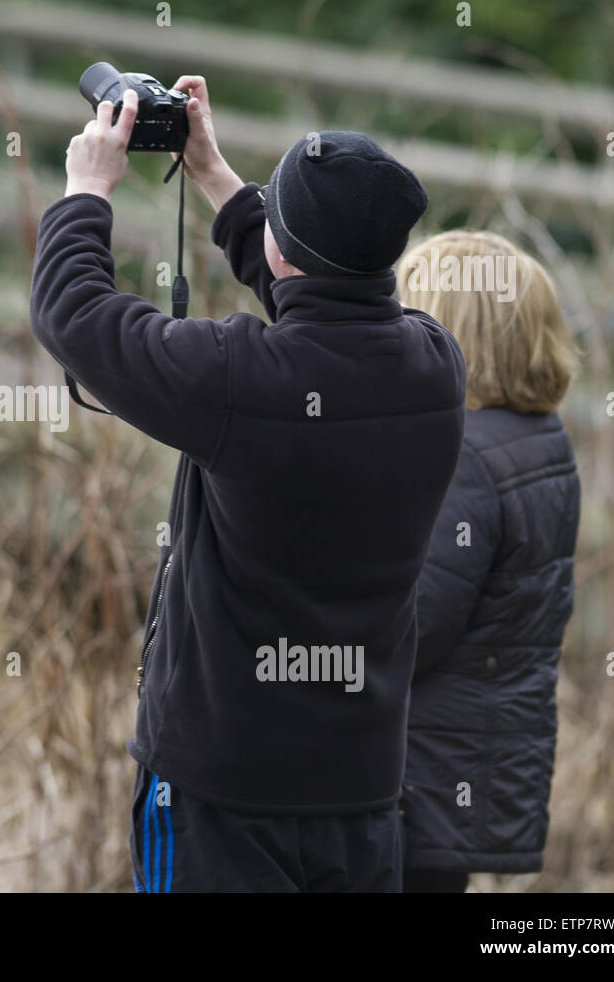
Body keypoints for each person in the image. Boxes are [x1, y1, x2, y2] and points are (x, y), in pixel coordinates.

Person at [30, 78, 466, 892]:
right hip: (360, 789)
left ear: (281, 247)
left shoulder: (239, 380)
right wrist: (215, 177)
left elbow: (75, 315)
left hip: (218, 795)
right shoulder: (436, 367)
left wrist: (85, 193)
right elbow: (330, 305)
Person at [394, 230, 581, 893]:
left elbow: (416, 623)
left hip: (418, 772)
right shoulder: (539, 438)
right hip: (470, 764)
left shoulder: (464, 456)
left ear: (452, 333)